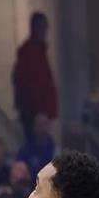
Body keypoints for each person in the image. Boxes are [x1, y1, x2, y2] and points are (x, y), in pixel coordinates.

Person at [12, 12, 58, 140]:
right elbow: (26, 83)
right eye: (42, 27)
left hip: (38, 114)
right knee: (37, 145)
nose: (44, 32)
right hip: (35, 114)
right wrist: (37, 112)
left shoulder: (36, 51)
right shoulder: (30, 52)